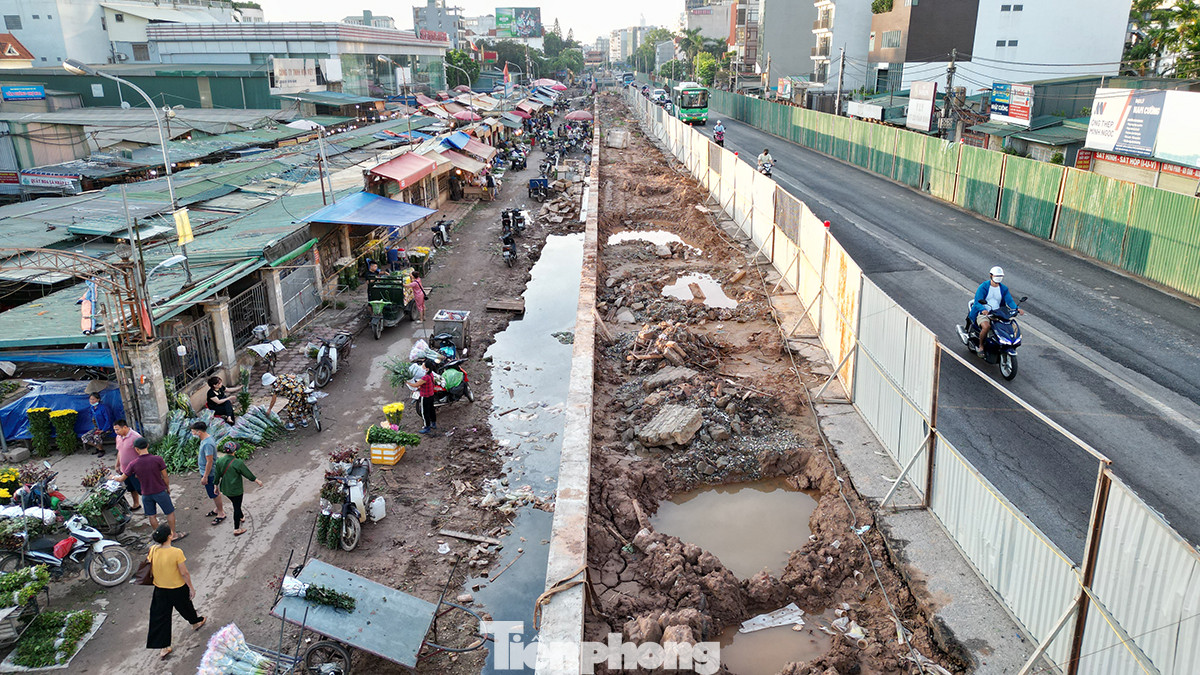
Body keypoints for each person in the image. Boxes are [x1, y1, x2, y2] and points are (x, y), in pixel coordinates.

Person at [145, 523, 204, 660]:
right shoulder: (176, 552)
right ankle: (195, 622)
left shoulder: (153, 549)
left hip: (160, 588)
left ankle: (164, 647)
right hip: (177, 587)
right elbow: (184, 573)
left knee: (160, 617)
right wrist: (191, 587)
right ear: (170, 536)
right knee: (186, 607)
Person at [113, 438, 185, 541]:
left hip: (146, 494)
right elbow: (165, 476)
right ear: (147, 446)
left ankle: (160, 537)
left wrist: (112, 477)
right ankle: (173, 535)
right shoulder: (157, 459)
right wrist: (167, 487)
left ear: (136, 449)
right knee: (169, 513)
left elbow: (121, 478)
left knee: (152, 515)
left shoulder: (133, 464)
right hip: (160, 491)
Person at [968, 266, 1023, 356]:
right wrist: (983, 310)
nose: (999, 278)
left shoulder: (1004, 289)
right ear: (991, 275)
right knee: (986, 326)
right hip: (984, 313)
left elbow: (1009, 301)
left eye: (1001, 276)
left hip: (999, 313)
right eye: (997, 275)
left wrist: (1016, 309)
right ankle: (981, 346)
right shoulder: (983, 287)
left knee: (1007, 326)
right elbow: (978, 301)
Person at [214, 441, 262, 536]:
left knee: (236, 503)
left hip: (225, 489)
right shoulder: (237, 463)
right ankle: (236, 528)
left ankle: (241, 516)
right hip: (236, 489)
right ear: (234, 451)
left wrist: (215, 486)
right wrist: (257, 481)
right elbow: (247, 474)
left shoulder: (219, 461)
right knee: (236, 506)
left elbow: (217, 475)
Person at [191, 422, 226, 526]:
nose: (192, 433)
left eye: (193, 431)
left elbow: (209, 461)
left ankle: (221, 513)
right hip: (207, 472)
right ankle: (217, 509)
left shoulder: (207, 444)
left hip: (210, 473)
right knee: (213, 492)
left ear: (199, 432)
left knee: (214, 493)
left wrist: (205, 476)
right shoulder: (205, 439)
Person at [112, 419, 142, 510]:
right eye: (115, 430)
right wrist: (117, 464)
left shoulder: (135, 437)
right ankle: (136, 504)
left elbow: (143, 453)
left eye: (117, 429)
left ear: (124, 427)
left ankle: (150, 508)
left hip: (135, 470)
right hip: (125, 469)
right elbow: (119, 451)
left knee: (141, 490)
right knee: (131, 488)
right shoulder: (118, 437)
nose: (116, 432)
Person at [408, 363, 438, 434]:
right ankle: (433, 424)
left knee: (425, 413)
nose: (422, 367)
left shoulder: (425, 377)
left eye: (423, 366)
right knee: (432, 410)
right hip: (431, 395)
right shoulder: (431, 375)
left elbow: (415, 384)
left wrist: (407, 382)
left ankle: (427, 427)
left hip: (425, 397)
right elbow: (426, 384)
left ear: (427, 368)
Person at [82, 392, 114, 457]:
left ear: (98, 399)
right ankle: (98, 447)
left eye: (93, 399)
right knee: (84, 437)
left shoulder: (104, 408)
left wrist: (103, 430)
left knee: (96, 437)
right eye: (90, 399)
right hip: (98, 428)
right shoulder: (92, 408)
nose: (91, 401)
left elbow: (108, 420)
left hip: (106, 428)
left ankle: (101, 450)